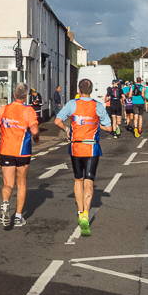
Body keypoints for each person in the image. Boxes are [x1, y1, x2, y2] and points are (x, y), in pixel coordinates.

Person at [54, 78, 112, 237]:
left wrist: (67, 129)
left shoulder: (72, 104)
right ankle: (86, 213)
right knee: (89, 181)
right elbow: (110, 127)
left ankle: (80, 212)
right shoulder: (98, 106)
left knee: (78, 180)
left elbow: (57, 121)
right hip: (92, 147)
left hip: (75, 147)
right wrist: (96, 125)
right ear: (91, 91)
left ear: (79, 90)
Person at [0, 83, 39, 227]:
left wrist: (4, 130)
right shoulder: (29, 110)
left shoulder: (4, 109)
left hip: (6, 151)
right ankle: (18, 216)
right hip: (23, 151)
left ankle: (5, 203)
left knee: (7, 184)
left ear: (14, 95)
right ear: (26, 96)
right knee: (21, 183)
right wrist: (36, 138)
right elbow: (34, 131)